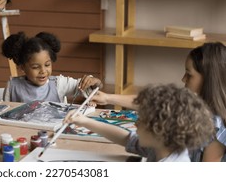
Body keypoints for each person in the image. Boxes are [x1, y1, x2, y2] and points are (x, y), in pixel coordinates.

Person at [91, 42, 226, 162]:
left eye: (189, 75)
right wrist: (107, 98)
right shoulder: (192, 105)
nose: (183, 79)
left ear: (209, 79)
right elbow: (156, 104)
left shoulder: (216, 128)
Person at [64, 83, 215, 162]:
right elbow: (126, 138)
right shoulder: (162, 148)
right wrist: (83, 121)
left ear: (159, 130)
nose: (135, 123)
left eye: (141, 119)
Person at [1, 31, 102, 103]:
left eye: (47, 65)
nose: (43, 71)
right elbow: (4, 114)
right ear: (22, 67)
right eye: (36, 67)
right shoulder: (12, 86)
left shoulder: (59, 84)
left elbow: (91, 90)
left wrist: (94, 82)